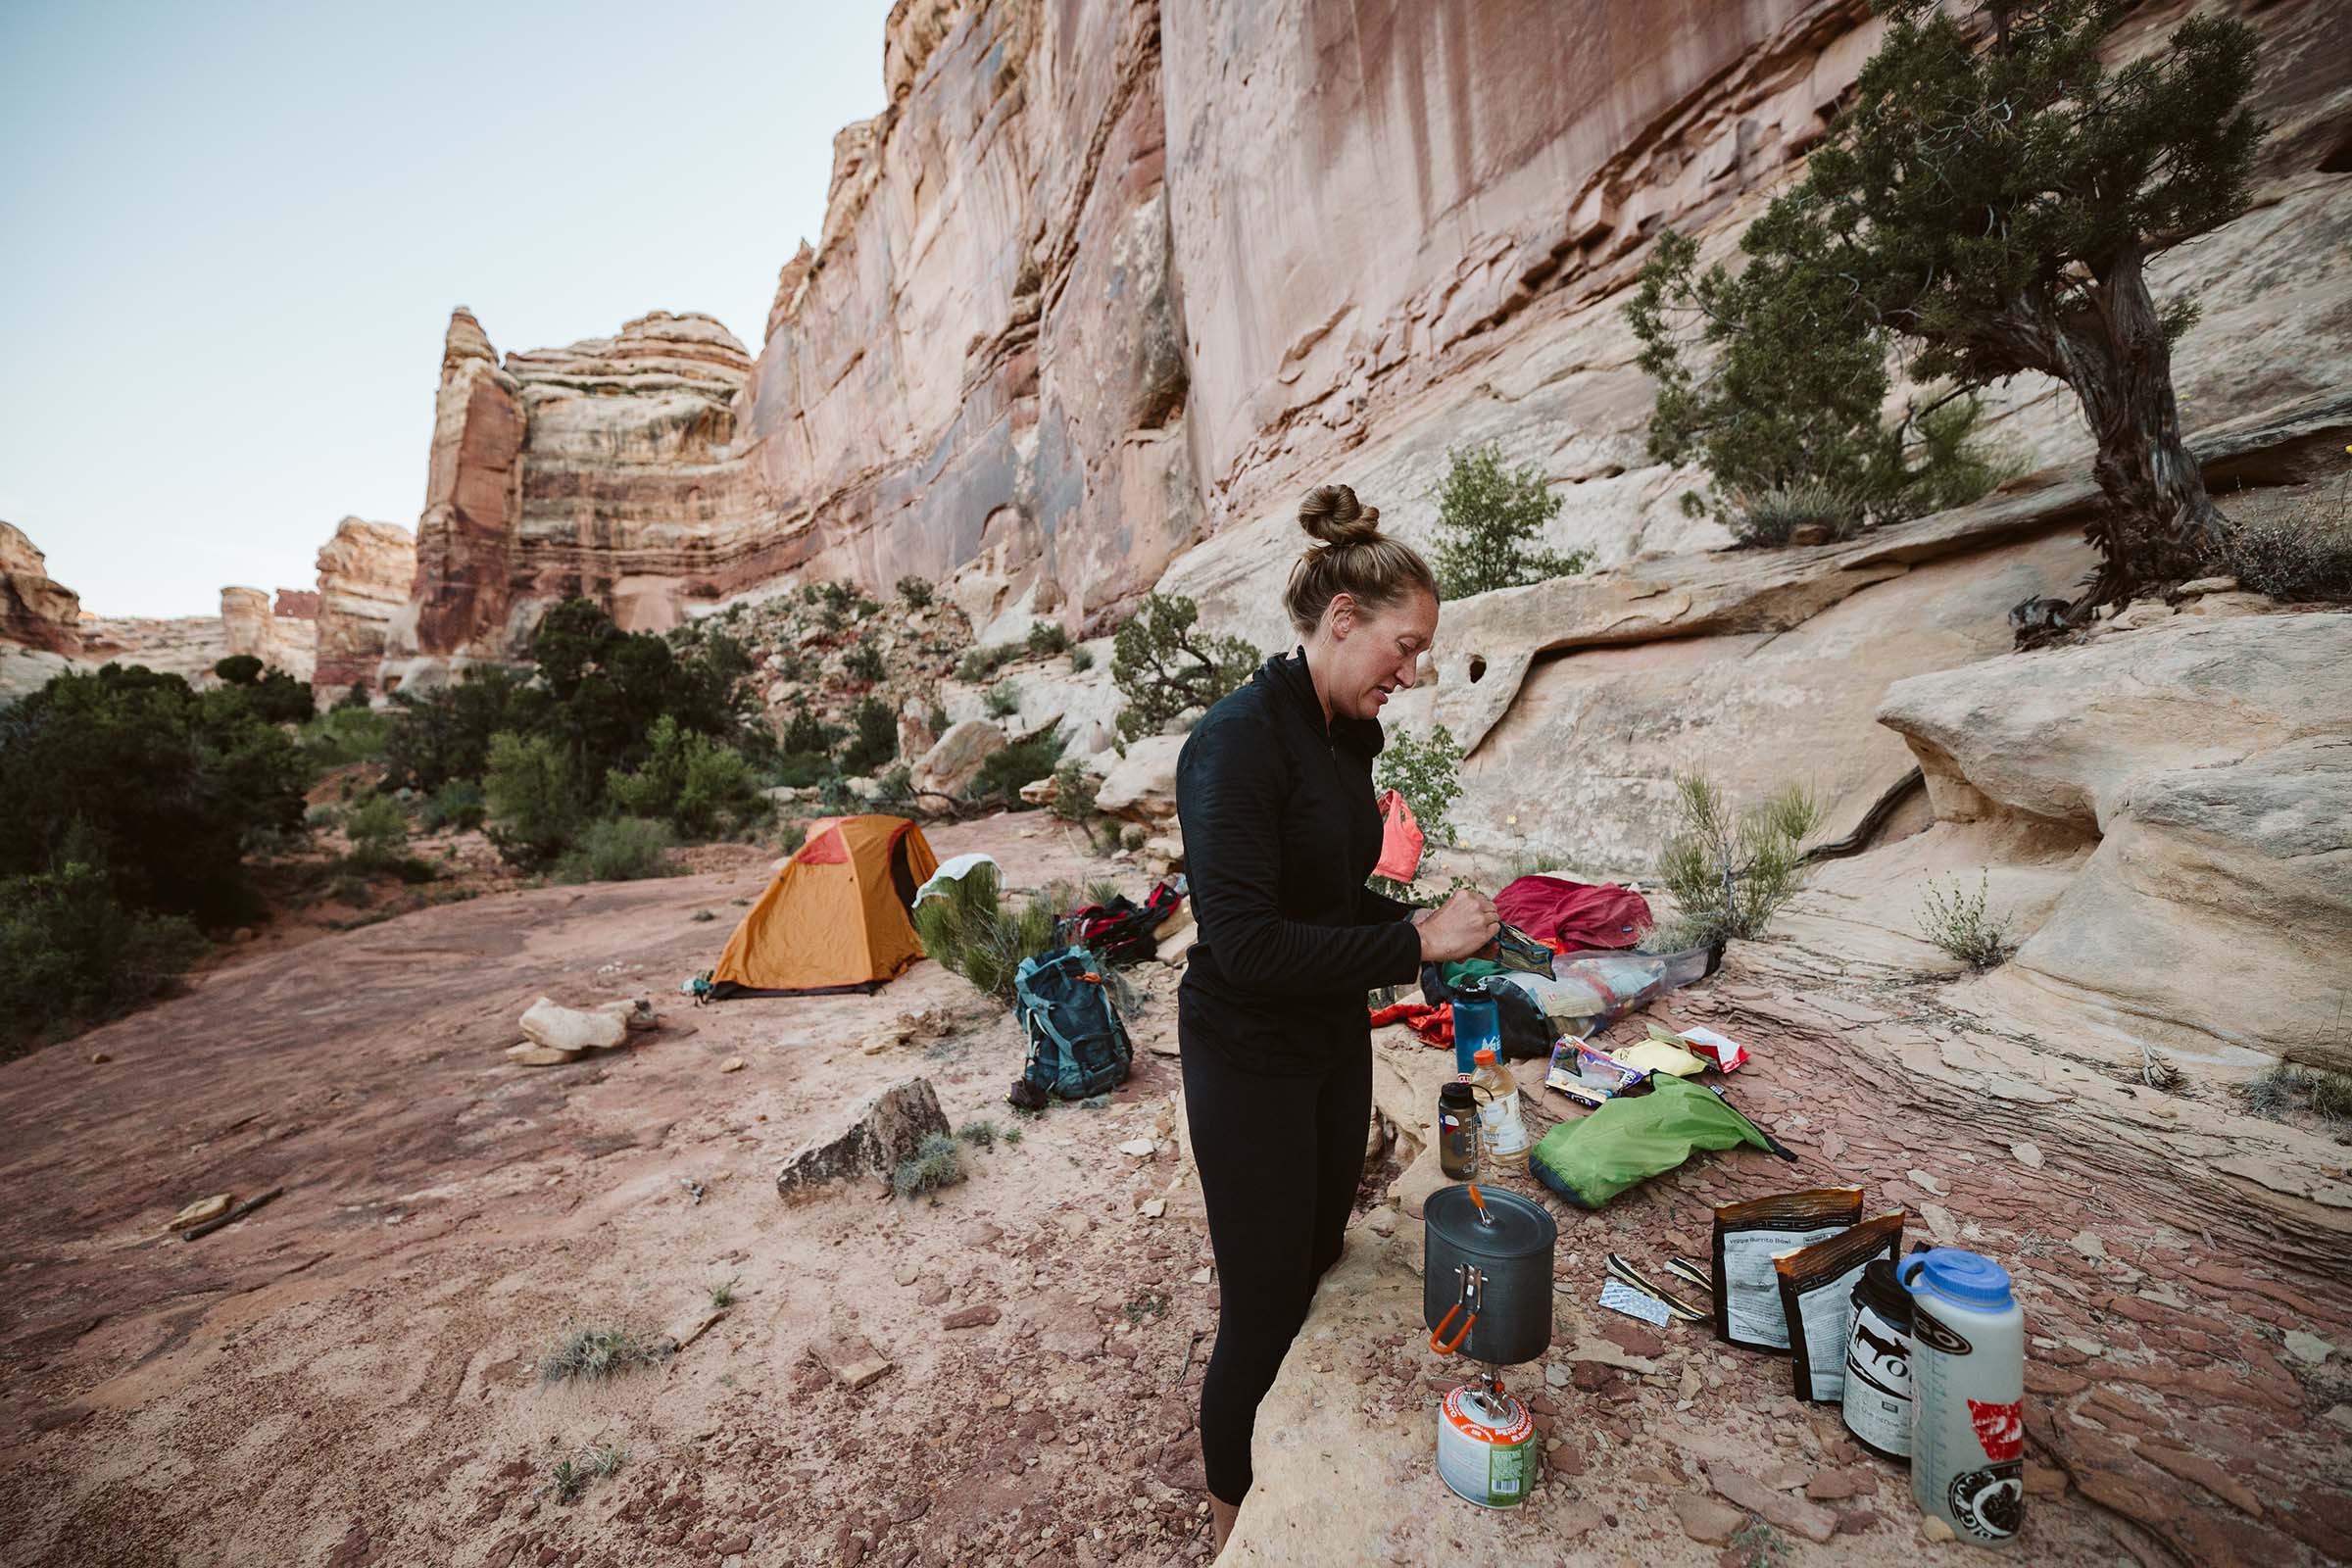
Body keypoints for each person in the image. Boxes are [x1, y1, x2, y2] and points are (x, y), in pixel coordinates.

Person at [1174, 483, 1498, 1550]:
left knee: (1317, 1252)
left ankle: (1292, 1464)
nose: (1413, 671)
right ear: (1343, 621)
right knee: (1260, 1307)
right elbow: (1252, 943)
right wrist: (1417, 942)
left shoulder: (1343, 733)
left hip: (1325, 1041)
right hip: (1249, 1051)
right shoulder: (1236, 742)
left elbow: (1329, 897)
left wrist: (1427, 929)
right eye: (1404, 646)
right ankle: (1234, 1522)